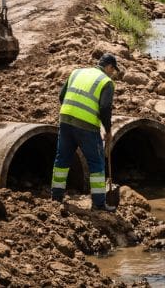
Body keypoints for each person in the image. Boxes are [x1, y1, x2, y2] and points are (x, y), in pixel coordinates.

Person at [51, 53, 119, 211]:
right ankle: (99, 204)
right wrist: (107, 130)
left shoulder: (77, 72)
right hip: (86, 126)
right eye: (113, 70)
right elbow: (104, 108)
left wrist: (72, 112)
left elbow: (62, 96)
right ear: (109, 67)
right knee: (97, 163)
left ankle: (56, 197)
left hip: (66, 120)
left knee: (62, 160)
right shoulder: (106, 82)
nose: (112, 73)